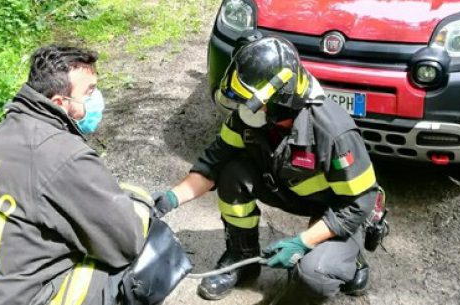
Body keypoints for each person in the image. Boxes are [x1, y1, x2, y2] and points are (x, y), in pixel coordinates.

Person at [152, 36, 385, 304]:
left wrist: (304, 241)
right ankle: (242, 257)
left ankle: (346, 259)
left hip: (339, 208)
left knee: (313, 276)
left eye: (251, 101)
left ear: (281, 100)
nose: (243, 109)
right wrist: (171, 199)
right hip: (290, 189)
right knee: (232, 172)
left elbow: (359, 203)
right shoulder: (250, 116)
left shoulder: (332, 132)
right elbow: (213, 162)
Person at [0, 45, 153, 305]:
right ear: (59, 103)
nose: (97, 98)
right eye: (89, 92)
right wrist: (141, 203)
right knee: (139, 261)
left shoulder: (2, 133)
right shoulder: (63, 155)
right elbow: (127, 241)